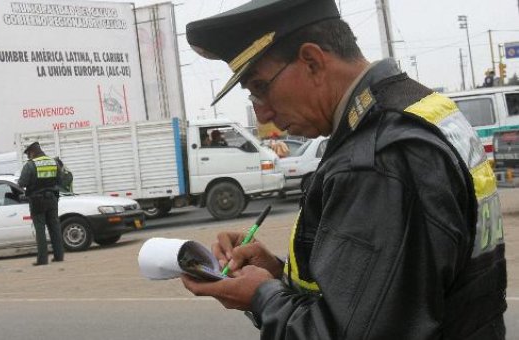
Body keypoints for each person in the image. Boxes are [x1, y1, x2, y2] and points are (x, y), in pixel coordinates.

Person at [180, 0, 507, 338]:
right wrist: (278, 274)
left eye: (260, 88)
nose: (262, 115)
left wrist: (263, 297)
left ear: (312, 61)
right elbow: (392, 291)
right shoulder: (418, 107)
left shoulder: (379, 159)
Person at [18, 142, 64, 266]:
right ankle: (59, 256)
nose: (28, 157)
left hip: (37, 200)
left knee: (40, 230)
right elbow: (60, 180)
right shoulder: (54, 162)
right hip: (52, 199)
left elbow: (21, 183)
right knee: (55, 227)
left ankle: (42, 259)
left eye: (28, 154)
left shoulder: (30, 165)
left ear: (32, 152)